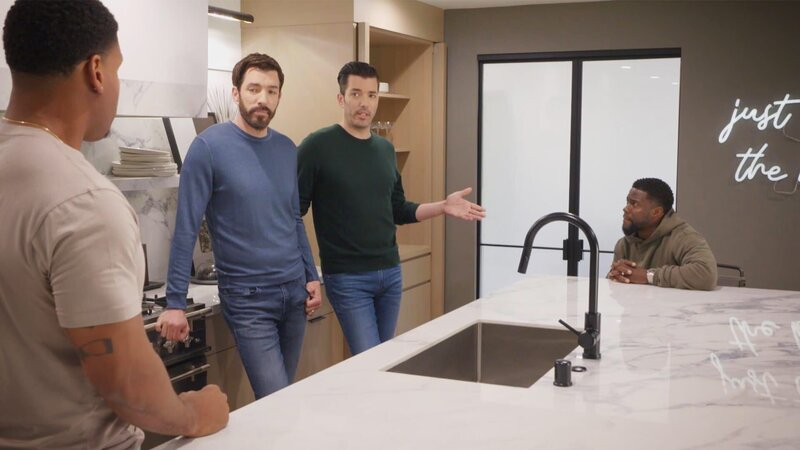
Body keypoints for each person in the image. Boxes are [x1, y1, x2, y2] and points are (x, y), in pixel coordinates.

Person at [0, 1, 229, 448]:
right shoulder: (85, 202)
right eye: (118, 69)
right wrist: (193, 413)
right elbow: (125, 383)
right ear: (96, 72)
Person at [157, 53, 321, 399]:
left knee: (283, 399)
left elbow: (293, 217)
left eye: (272, 91)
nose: (263, 99)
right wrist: (175, 302)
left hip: (294, 293)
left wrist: (311, 276)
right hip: (248, 299)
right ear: (236, 93)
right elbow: (186, 227)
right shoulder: (208, 148)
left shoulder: (286, 148)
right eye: (254, 89)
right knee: (276, 399)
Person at [297, 61, 485, 355]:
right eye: (356, 94)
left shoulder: (384, 149)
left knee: (386, 361)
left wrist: (443, 206)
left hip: (390, 273)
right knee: (369, 360)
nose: (365, 103)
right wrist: (305, 272)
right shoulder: (317, 146)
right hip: (348, 277)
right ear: (341, 98)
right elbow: (293, 212)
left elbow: (398, 209)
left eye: (371, 95)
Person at [607, 178, 717, 290]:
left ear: (656, 212)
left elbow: (706, 274)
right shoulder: (624, 244)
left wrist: (648, 276)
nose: (625, 209)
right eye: (627, 202)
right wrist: (615, 274)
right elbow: (616, 286)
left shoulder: (684, 237)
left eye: (634, 204)